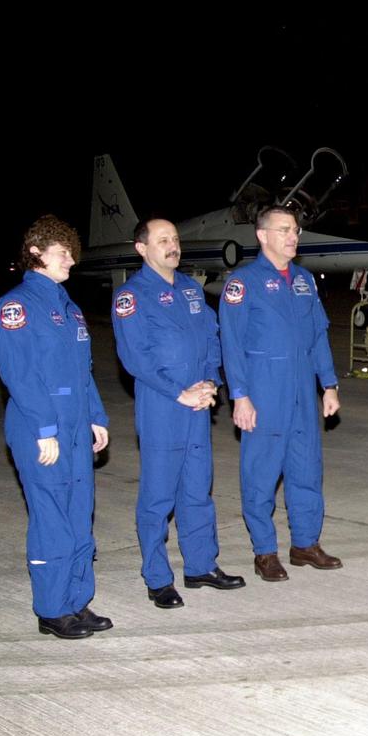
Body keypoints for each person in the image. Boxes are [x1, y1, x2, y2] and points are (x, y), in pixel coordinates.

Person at [112, 218, 245, 609]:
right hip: (162, 406)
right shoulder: (131, 296)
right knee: (157, 498)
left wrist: (210, 382)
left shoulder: (191, 289)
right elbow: (135, 357)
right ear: (142, 248)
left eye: (176, 239)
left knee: (197, 491)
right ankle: (157, 578)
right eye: (163, 240)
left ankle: (201, 566)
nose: (174, 246)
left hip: (198, 405)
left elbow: (211, 337)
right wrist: (179, 392)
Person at [0, 215, 111, 639]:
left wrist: (97, 417)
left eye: (72, 254)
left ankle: (77, 601)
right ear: (37, 252)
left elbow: (85, 371)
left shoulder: (70, 307)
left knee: (80, 515)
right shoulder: (17, 306)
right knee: (51, 521)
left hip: (77, 425)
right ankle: (51, 609)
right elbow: (19, 374)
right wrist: (45, 429)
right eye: (63, 253)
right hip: (39, 427)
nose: (71, 262)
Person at [220, 206, 342, 581]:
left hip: (303, 390)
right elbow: (231, 344)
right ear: (262, 236)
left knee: (306, 468)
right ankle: (265, 551)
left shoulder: (304, 280)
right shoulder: (242, 283)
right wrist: (240, 395)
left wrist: (330, 384)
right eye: (284, 230)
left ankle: (305, 544)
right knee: (261, 472)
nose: (293, 237)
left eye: (296, 230)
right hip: (264, 390)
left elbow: (318, 335)